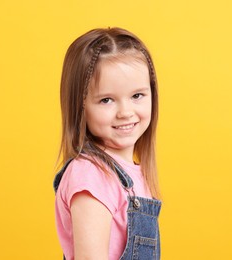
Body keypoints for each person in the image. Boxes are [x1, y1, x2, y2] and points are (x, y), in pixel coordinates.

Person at [53, 27, 162, 260]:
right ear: (80, 107)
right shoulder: (91, 175)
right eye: (106, 100)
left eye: (137, 96)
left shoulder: (132, 175)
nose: (125, 112)